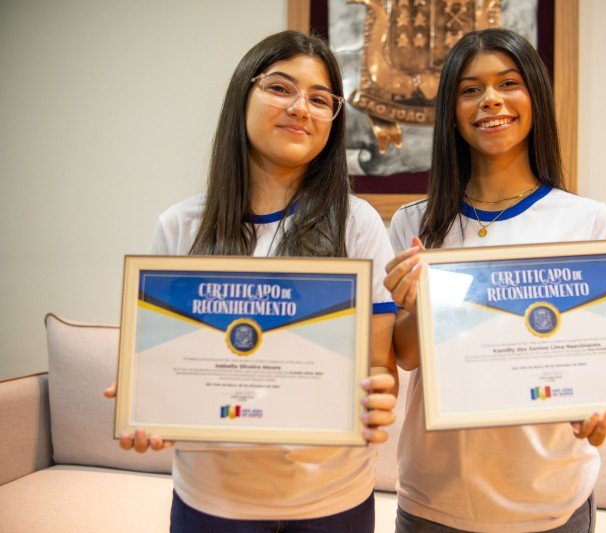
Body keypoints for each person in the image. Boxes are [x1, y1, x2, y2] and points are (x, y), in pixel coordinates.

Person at [105, 30, 398, 532]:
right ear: (243, 94)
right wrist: (146, 398)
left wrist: (379, 396)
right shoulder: (180, 225)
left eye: (320, 99)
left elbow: (379, 364)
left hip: (333, 499)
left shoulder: (358, 223)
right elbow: (162, 357)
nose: (300, 108)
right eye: (280, 88)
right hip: (212, 501)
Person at [384, 28, 606, 533]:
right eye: (470, 90)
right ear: (451, 112)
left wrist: (603, 405)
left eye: (508, 83)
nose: (490, 99)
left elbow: (601, 359)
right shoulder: (414, 224)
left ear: (534, 96)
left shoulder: (588, 221)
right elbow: (404, 356)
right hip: (433, 499)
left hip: (551, 502)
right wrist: (422, 304)